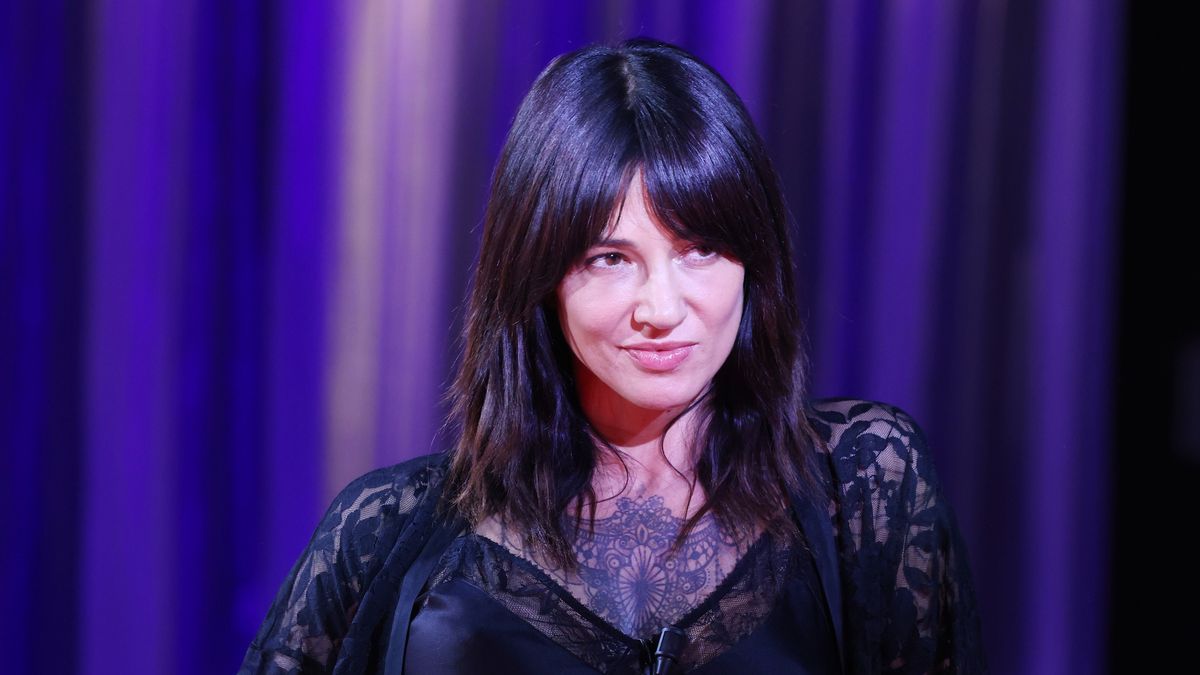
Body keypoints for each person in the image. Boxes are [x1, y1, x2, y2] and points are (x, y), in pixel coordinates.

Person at [239, 38, 985, 674]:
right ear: (538, 275)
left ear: (755, 262)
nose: (661, 309)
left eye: (701, 250)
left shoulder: (862, 484)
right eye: (608, 258)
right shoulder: (385, 534)